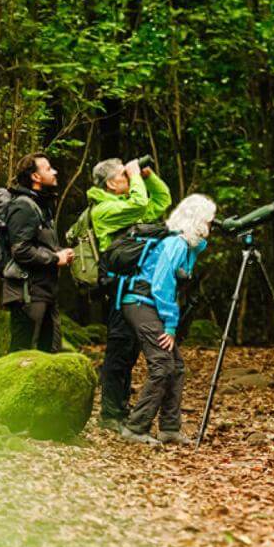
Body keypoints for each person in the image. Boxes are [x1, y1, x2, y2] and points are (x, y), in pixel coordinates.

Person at [116, 194, 215, 445]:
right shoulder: (176, 244)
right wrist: (170, 325)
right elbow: (161, 286)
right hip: (140, 303)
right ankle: (136, 427)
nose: (211, 226)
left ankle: (170, 428)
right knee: (162, 365)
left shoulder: (187, 246)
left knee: (176, 367)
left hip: (147, 304)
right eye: (208, 220)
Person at [87, 157, 173, 429]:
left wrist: (147, 177)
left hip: (135, 291)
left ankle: (120, 410)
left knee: (130, 351)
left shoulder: (124, 207)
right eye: (124, 176)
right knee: (119, 351)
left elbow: (161, 201)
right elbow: (139, 204)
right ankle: (110, 414)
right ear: (112, 184)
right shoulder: (104, 209)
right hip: (118, 292)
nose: (129, 178)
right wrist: (135, 175)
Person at [3, 152, 74, 353]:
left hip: (45, 292)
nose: (55, 171)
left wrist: (61, 253)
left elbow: (39, 244)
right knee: (22, 356)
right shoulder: (23, 206)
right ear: (35, 177)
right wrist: (54, 258)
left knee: (50, 354)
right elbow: (21, 250)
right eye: (48, 169)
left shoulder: (41, 206)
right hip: (27, 294)